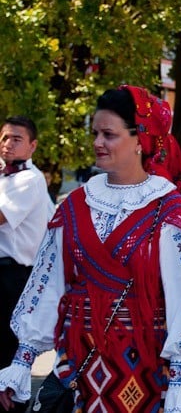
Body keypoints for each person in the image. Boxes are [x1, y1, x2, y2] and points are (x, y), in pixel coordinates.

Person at [0, 86, 181, 412]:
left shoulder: (170, 212)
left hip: (150, 371)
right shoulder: (76, 205)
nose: (98, 142)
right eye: (95, 132)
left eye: (109, 134)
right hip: (81, 367)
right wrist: (22, 360)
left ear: (140, 140)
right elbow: (50, 282)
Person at [0, 116, 55, 409]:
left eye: (16, 139)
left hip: (13, 278)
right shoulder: (4, 176)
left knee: (7, 356)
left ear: (32, 146)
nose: (7, 144)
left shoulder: (28, 179)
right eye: (4, 138)